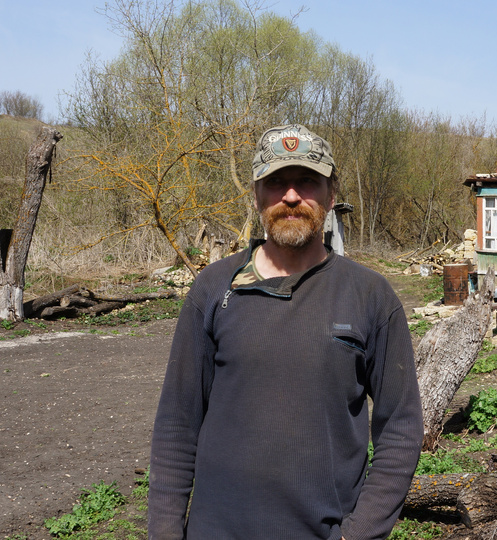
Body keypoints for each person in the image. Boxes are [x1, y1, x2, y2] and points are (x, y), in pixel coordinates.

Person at [148, 124, 423, 540]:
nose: (290, 196)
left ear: (331, 196)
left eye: (307, 181)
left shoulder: (370, 296)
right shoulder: (214, 287)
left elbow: (401, 428)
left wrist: (361, 533)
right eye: (275, 182)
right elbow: (176, 425)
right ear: (256, 195)